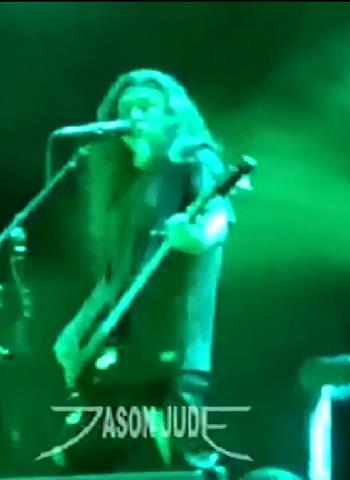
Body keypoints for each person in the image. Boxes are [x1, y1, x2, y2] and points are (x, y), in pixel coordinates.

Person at [50, 68, 236, 473]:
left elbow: (218, 218)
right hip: (123, 354)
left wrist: (195, 236)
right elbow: (114, 277)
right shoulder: (124, 188)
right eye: (125, 109)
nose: (133, 116)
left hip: (173, 345)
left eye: (146, 106)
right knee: (79, 458)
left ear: (172, 114)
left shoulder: (192, 158)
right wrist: (75, 331)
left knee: (189, 464)